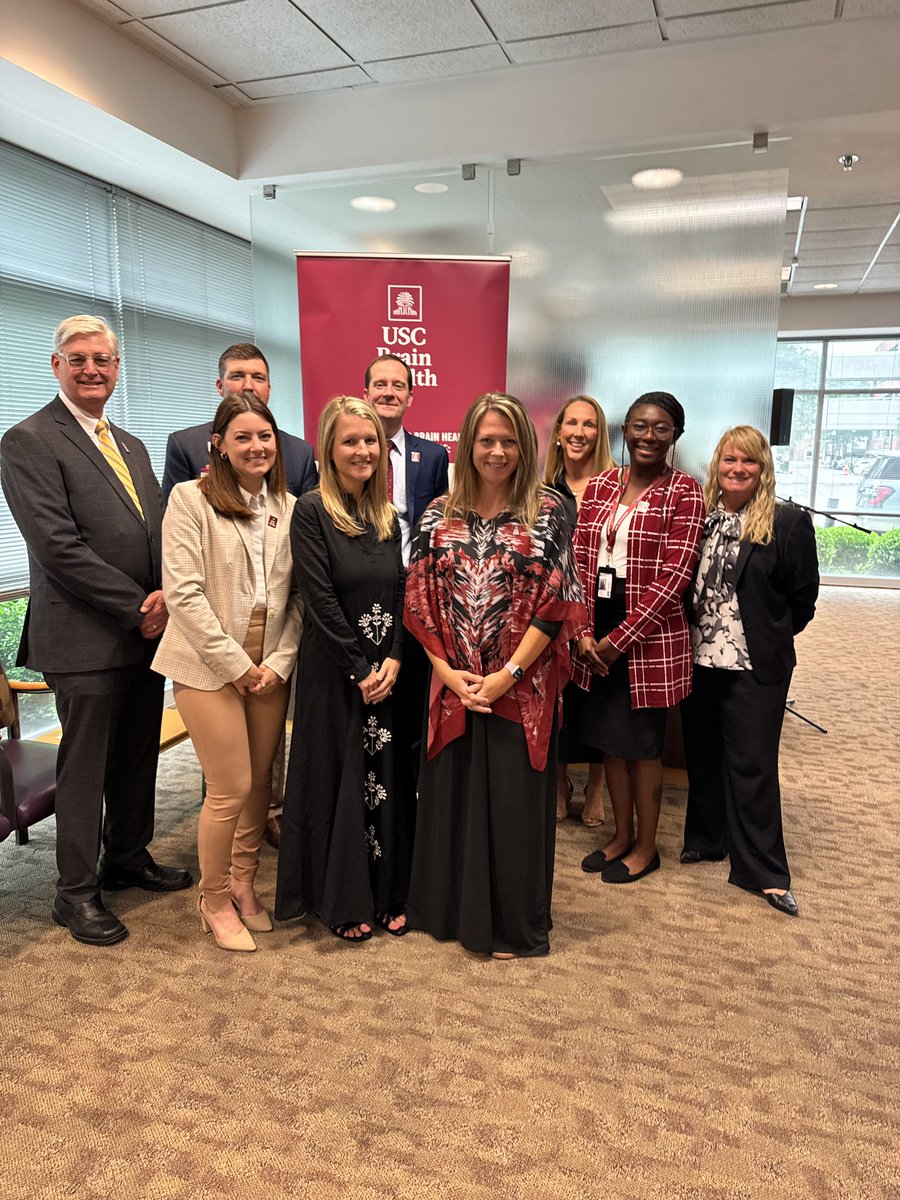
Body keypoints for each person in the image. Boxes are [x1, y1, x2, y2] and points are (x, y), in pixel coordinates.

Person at [0, 315, 191, 946]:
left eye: (102, 360)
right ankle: (75, 892)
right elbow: (57, 547)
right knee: (85, 765)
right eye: (78, 358)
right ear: (56, 365)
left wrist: (165, 596)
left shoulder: (132, 444)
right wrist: (139, 606)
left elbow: (158, 529)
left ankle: (127, 857)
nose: (91, 370)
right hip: (85, 634)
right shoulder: (26, 440)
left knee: (136, 750)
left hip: (145, 628)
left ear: (116, 368)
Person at [404, 393, 586, 959]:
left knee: (511, 805)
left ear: (525, 446)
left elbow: (556, 604)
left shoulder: (550, 510)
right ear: (468, 444)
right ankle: (453, 912)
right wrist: (450, 673)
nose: (498, 451)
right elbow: (419, 603)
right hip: (453, 682)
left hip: (520, 687)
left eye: (509, 440)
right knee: (455, 796)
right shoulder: (437, 514)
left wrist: (506, 675)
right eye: (486, 440)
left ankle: (509, 924)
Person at [153, 392, 302, 951]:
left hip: (271, 664)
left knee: (262, 782)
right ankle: (212, 898)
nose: (256, 446)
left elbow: (300, 600)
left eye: (264, 436)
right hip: (206, 663)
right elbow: (184, 595)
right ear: (219, 444)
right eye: (242, 437)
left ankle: (243, 884)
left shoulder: (289, 506)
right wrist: (238, 665)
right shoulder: (190, 500)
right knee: (231, 786)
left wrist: (279, 661)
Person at [275, 396, 413, 943]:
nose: (363, 450)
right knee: (340, 778)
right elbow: (320, 598)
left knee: (382, 781)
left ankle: (385, 892)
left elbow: (403, 591)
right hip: (336, 671)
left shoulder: (386, 516)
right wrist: (361, 668)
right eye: (350, 440)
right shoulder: (310, 511)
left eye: (371, 440)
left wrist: (396, 655)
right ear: (329, 450)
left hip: (387, 670)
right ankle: (341, 900)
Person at [680, 426, 818, 917]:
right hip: (698, 659)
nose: (737, 470)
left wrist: (767, 632)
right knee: (703, 755)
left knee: (752, 764)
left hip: (756, 663)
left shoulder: (786, 523)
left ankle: (763, 870)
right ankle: (706, 838)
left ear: (764, 469)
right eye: (729, 460)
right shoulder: (699, 519)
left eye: (750, 462)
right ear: (716, 464)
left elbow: (803, 600)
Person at [573, 391, 704, 885]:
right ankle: (619, 836)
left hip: (648, 636)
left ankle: (646, 847)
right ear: (624, 431)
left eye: (661, 428)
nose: (649, 436)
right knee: (611, 742)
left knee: (644, 747)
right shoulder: (604, 484)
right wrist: (585, 631)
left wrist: (616, 640)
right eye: (639, 426)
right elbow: (582, 561)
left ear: (675, 436)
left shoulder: (684, 492)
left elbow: (674, 579)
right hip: (598, 625)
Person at [364, 353, 450, 779]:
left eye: (398, 385)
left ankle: (410, 787)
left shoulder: (432, 457)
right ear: (365, 393)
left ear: (411, 397)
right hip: (363, 589)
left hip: (413, 591)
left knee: (413, 688)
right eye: (380, 384)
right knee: (369, 690)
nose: (388, 392)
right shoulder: (349, 452)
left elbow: (440, 529)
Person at [542, 394, 615, 826]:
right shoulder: (541, 491)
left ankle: (598, 787)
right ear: (558, 434)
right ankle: (560, 782)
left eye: (589, 425)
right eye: (571, 423)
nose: (579, 433)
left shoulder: (615, 488)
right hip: (555, 610)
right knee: (557, 702)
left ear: (598, 434)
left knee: (600, 703)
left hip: (603, 610)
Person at [162, 343, 318, 502]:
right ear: (220, 386)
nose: (248, 386)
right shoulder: (185, 445)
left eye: (258, 378)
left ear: (269, 389)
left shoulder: (301, 453)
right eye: (237, 376)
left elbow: (308, 520)